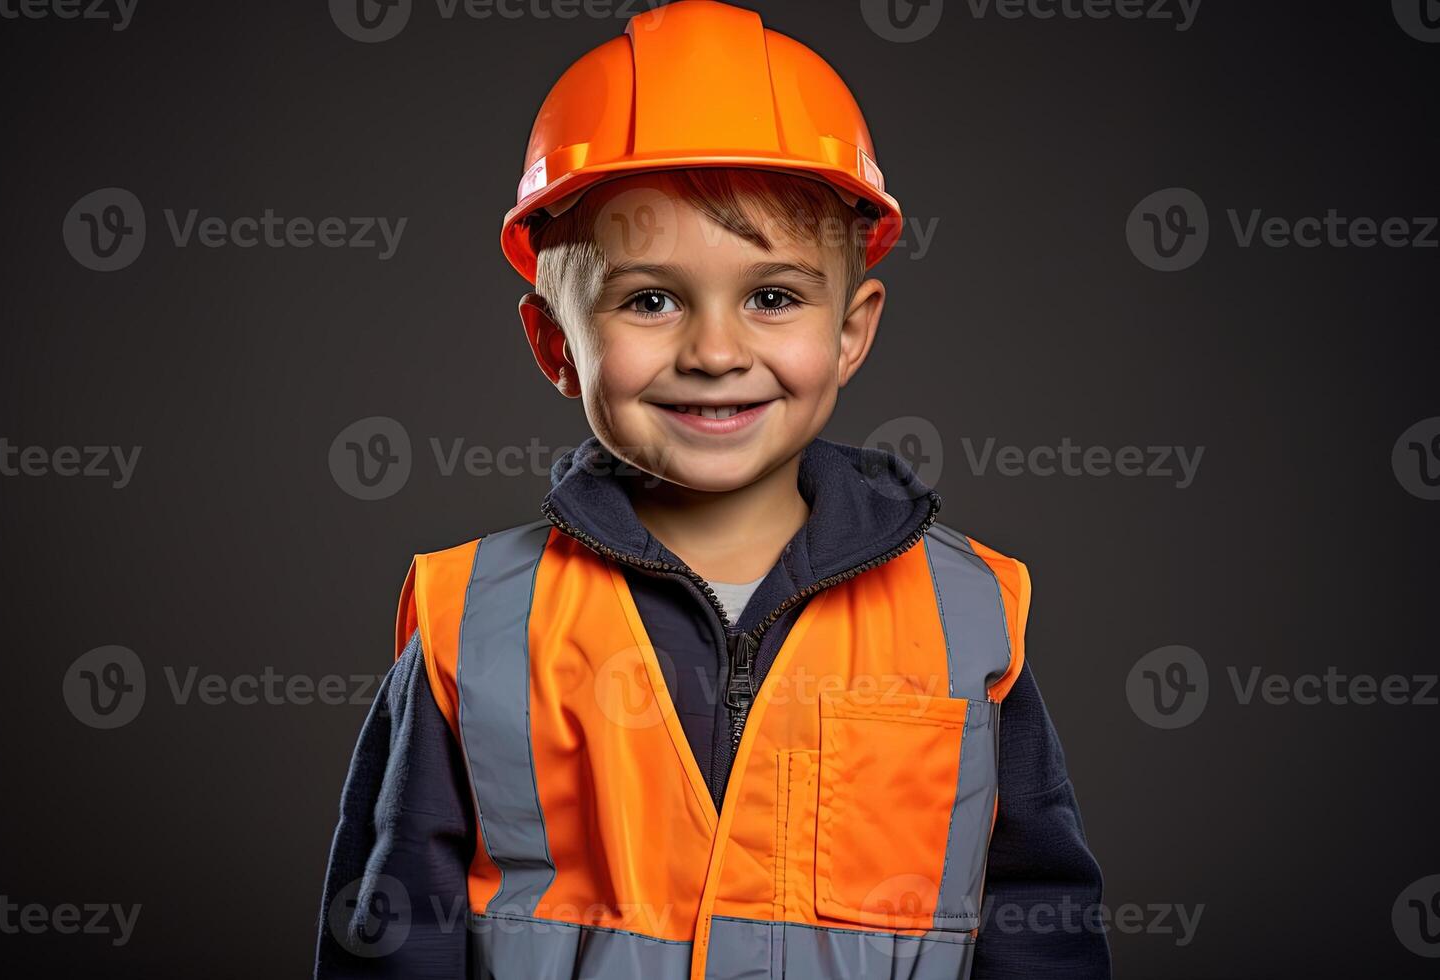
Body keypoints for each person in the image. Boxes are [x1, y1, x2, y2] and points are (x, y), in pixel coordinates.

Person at [315, 2, 1109, 977]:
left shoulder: (969, 613)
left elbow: (1040, 925)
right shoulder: (471, 619)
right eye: (649, 299)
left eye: (772, 296)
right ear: (555, 344)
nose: (716, 351)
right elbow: (391, 935)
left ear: (852, 329)